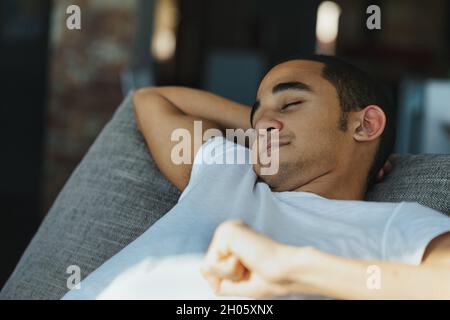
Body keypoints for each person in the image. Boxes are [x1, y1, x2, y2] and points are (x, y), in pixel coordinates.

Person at [63, 55, 450, 300]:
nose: (262, 120)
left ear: (365, 124)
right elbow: (152, 99)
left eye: (292, 102)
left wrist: (287, 267)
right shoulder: (227, 172)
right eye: (256, 112)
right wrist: (270, 127)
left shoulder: (393, 224)